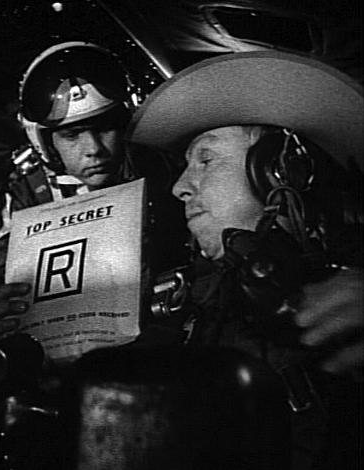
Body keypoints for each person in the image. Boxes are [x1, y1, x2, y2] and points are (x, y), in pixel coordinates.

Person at [128, 51, 363, 470]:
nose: (180, 187)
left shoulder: (353, 306)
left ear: (275, 170)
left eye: (206, 160)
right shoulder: (182, 308)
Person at [0, 40, 185, 354]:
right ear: (45, 143)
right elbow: (6, 283)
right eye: (72, 135)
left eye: (105, 128)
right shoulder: (27, 193)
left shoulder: (164, 173)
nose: (94, 149)